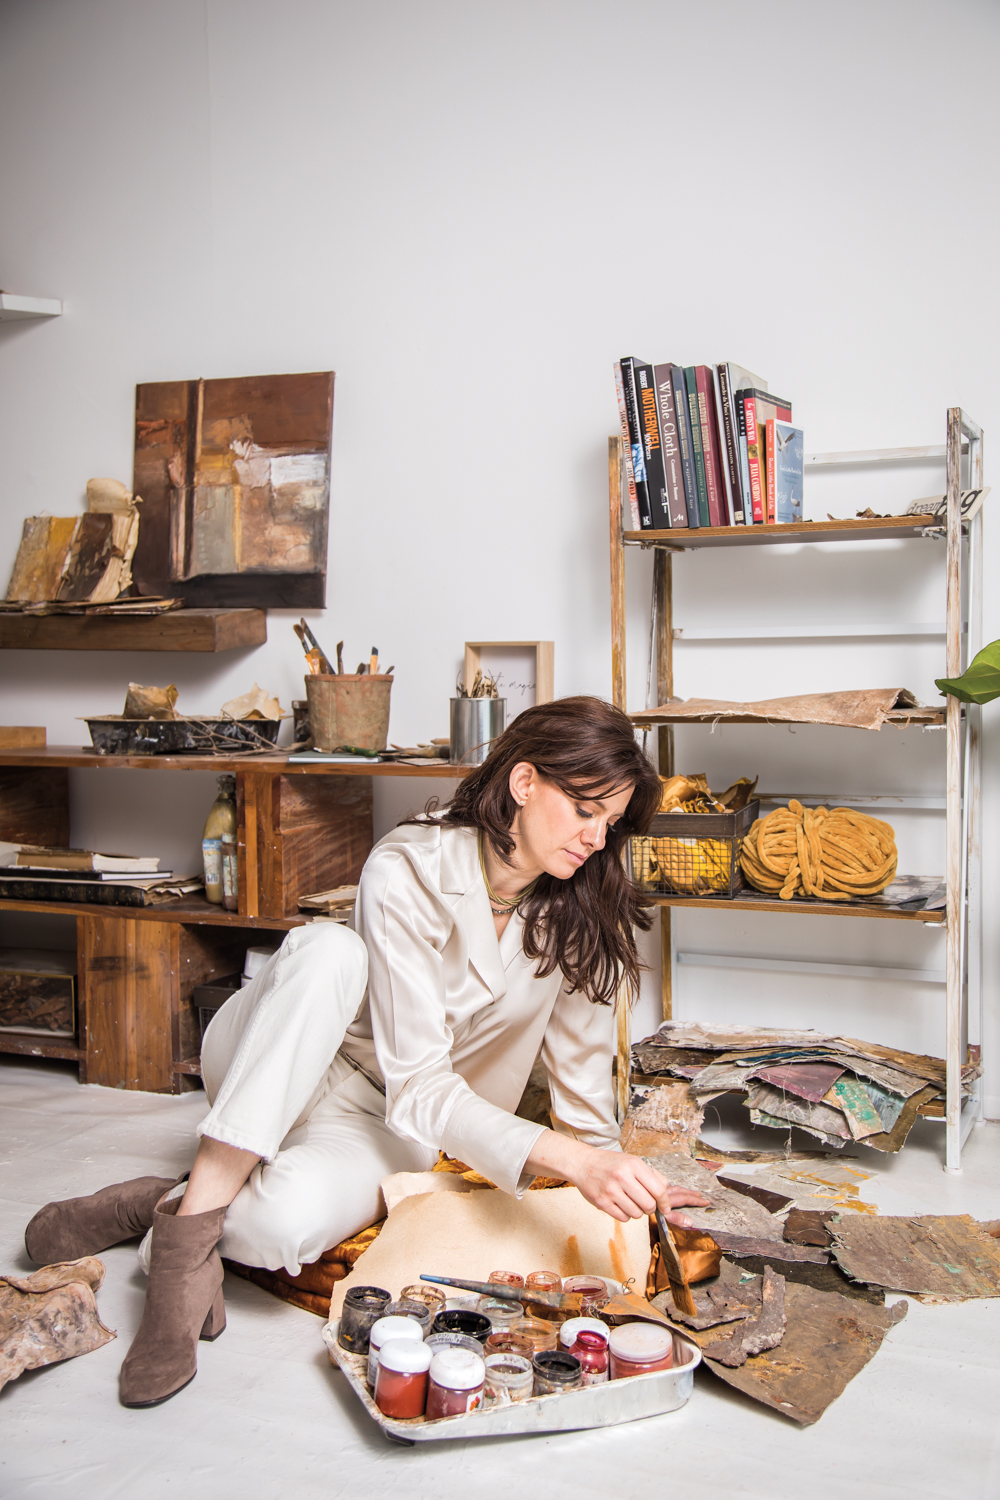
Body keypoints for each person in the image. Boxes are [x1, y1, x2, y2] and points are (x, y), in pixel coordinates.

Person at [24, 696, 708, 1407]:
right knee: (327, 950)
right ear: (526, 782)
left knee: (278, 1231)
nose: (597, 838)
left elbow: (581, 1084)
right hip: (285, 1052)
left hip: (389, 1121)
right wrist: (573, 1160)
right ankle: (176, 1271)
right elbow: (421, 1079)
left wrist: (620, 1186)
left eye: (610, 821)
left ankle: (167, 1205)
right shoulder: (410, 863)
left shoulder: (582, 911)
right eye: (584, 809)